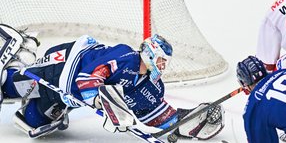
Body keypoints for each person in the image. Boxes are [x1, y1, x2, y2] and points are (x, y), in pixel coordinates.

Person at [0, 24, 225, 139]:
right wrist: (101, 101)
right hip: (60, 69)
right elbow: (88, 78)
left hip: (66, 95)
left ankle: (43, 103)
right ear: (149, 53)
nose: (163, 65)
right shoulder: (126, 57)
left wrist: (191, 121)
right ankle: (17, 57)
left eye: (165, 61)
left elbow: (159, 117)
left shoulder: (153, 86)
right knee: (14, 84)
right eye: (161, 59)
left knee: (32, 121)